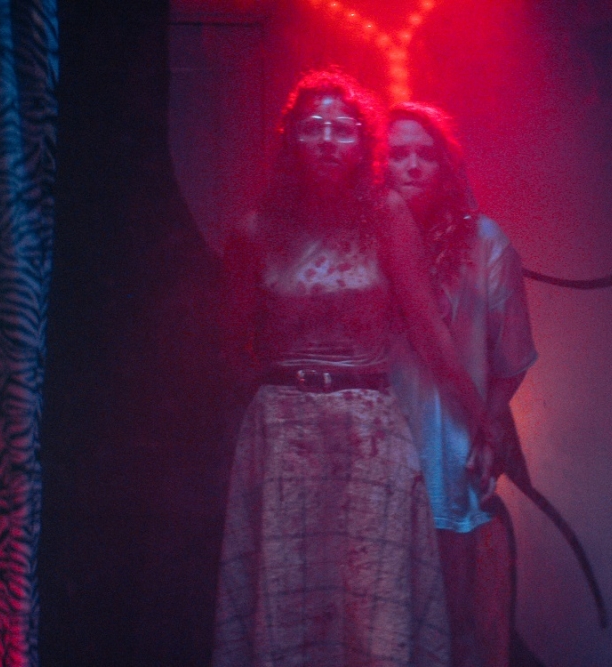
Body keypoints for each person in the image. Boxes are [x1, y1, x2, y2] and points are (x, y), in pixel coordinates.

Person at [213, 72, 487, 667]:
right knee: (286, 591)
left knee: (370, 596)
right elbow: (230, 346)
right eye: (312, 128)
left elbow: (429, 331)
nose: (327, 141)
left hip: (368, 433)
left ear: (363, 143)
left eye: (342, 129)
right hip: (282, 434)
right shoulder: (255, 231)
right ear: (291, 139)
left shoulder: (385, 215)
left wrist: (481, 418)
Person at [384, 102, 537, 667]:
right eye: (397, 154)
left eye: (426, 154)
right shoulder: (362, 239)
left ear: (447, 166)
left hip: (451, 446)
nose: (412, 165)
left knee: (451, 617)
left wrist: (487, 426)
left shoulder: (486, 242)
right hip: (376, 441)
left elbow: (512, 358)